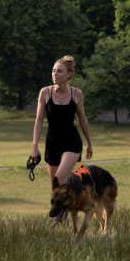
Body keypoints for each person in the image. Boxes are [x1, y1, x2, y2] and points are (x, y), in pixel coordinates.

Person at [30, 55, 93, 187]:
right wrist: (34, 146)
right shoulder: (45, 92)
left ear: (69, 74)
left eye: (59, 71)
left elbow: (82, 119)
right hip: (52, 143)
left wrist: (89, 143)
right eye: (53, 71)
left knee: (58, 179)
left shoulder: (77, 94)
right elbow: (39, 120)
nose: (55, 74)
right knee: (56, 188)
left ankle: (81, 182)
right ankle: (76, 196)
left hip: (72, 142)